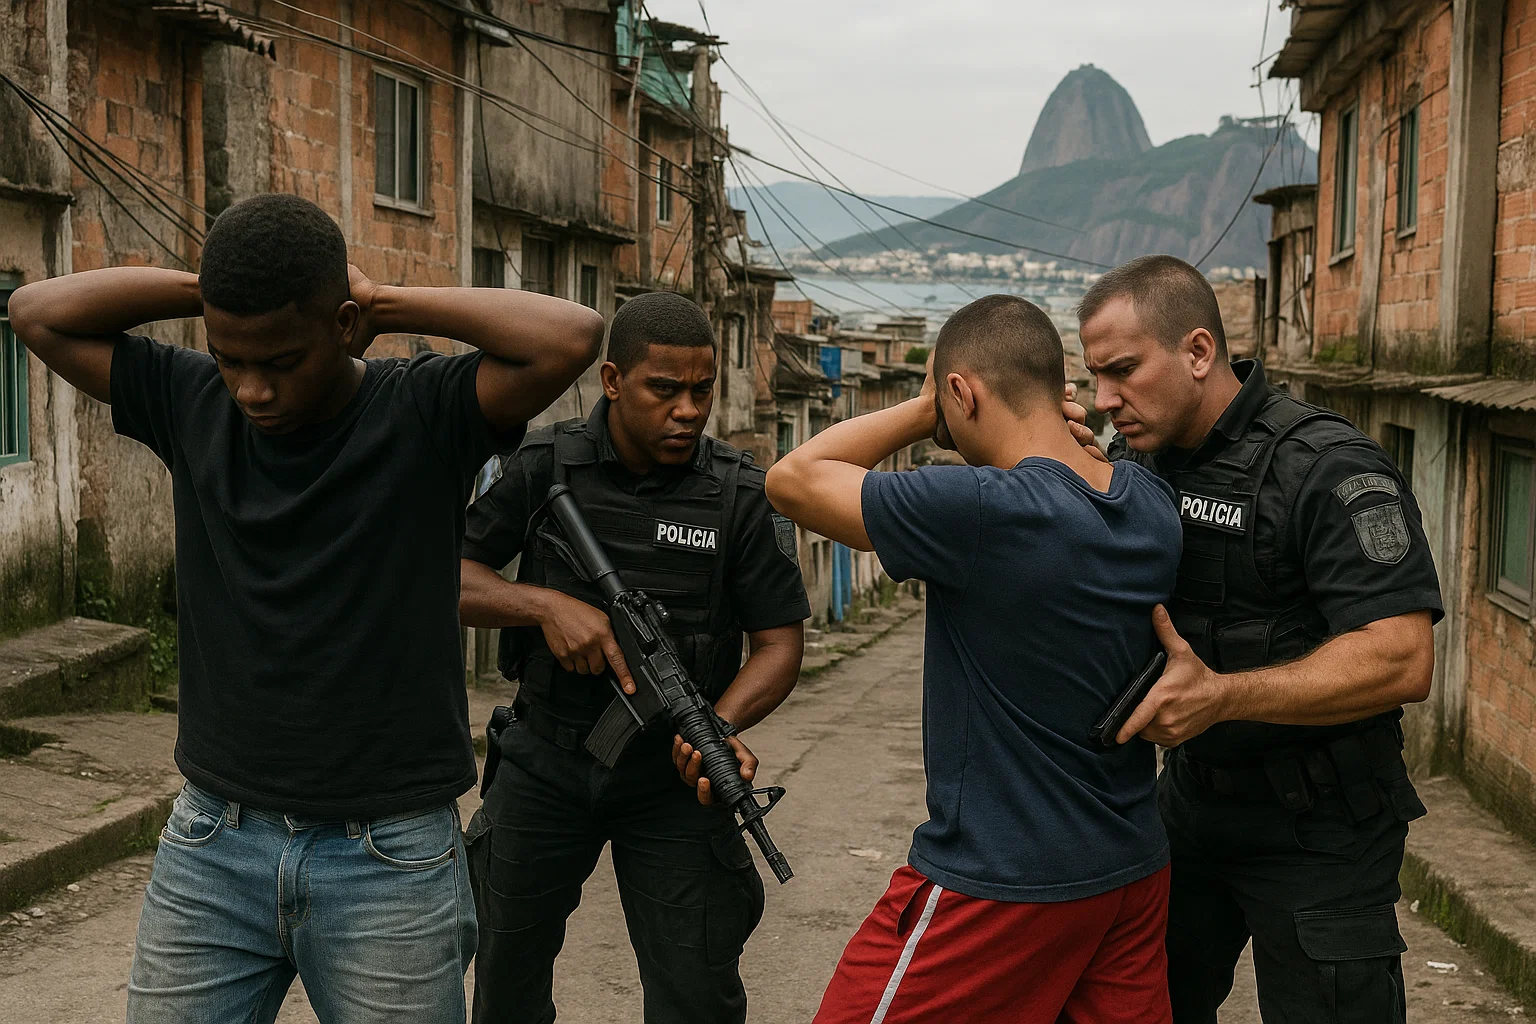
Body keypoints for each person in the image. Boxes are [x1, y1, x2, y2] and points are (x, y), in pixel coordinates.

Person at [7, 193, 602, 1023]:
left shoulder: (422, 413)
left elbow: (571, 335)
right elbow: (36, 312)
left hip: (386, 857)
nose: (251, 388)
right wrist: (207, 294)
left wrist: (382, 301)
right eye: (228, 356)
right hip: (214, 841)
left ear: (345, 328)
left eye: (281, 360)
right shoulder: (191, 404)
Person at [763, 294, 1181, 1024]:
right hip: (1128, 874)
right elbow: (1082, 477)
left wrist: (925, 411)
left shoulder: (984, 509)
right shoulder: (1149, 502)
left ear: (962, 391)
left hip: (1001, 878)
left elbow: (792, 478)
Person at [1078, 254, 1442, 1024]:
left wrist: (1223, 697)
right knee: (1136, 1009)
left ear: (1199, 352)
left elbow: (1402, 656)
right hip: (1190, 805)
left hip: (1323, 825)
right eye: (1095, 379)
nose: (1106, 399)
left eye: (1123, 372)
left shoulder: (1328, 467)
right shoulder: (1137, 462)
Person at [458, 290, 810, 1024]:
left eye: (702, 390)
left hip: (672, 781)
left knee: (696, 994)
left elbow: (779, 644)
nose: (688, 409)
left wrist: (717, 723)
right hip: (546, 759)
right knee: (505, 981)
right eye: (665, 389)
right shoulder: (543, 466)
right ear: (612, 380)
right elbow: (443, 577)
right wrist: (544, 606)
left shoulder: (740, 495)